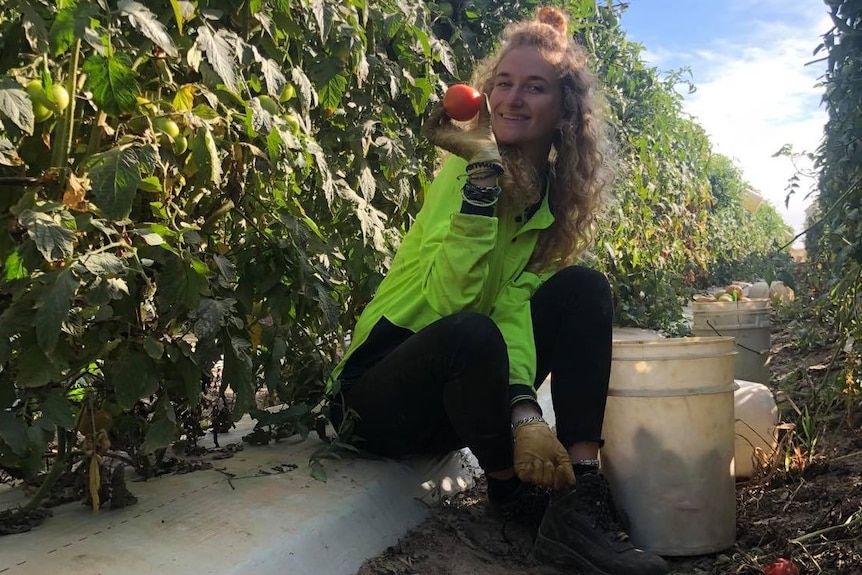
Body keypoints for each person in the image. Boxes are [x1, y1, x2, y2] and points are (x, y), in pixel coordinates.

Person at [329, 6, 669, 575]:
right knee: (469, 330)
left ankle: (581, 497)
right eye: (503, 83)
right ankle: (512, 492)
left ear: (564, 110)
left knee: (583, 289)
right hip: (376, 398)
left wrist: (525, 412)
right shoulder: (469, 174)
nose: (512, 98)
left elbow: (512, 310)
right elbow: (450, 302)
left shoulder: (543, 204)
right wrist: (483, 174)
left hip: (455, 397)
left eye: (534, 87)